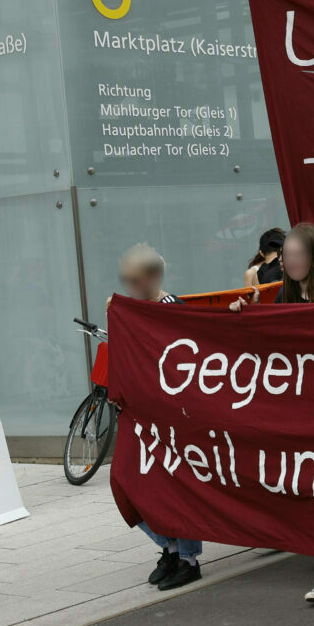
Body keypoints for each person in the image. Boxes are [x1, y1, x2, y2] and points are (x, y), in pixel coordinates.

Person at [230, 224, 314, 601]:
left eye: (297, 254)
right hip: (304, 413)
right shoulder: (284, 298)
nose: (289, 262)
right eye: (286, 255)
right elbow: (271, 348)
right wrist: (248, 316)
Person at [113, 244, 204, 591]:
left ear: (152, 276)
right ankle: (170, 546)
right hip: (142, 416)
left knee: (177, 487)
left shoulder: (172, 309)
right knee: (128, 482)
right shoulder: (133, 310)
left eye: (135, 279)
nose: (129, 286)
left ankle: (187, 558)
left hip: (173, 416)